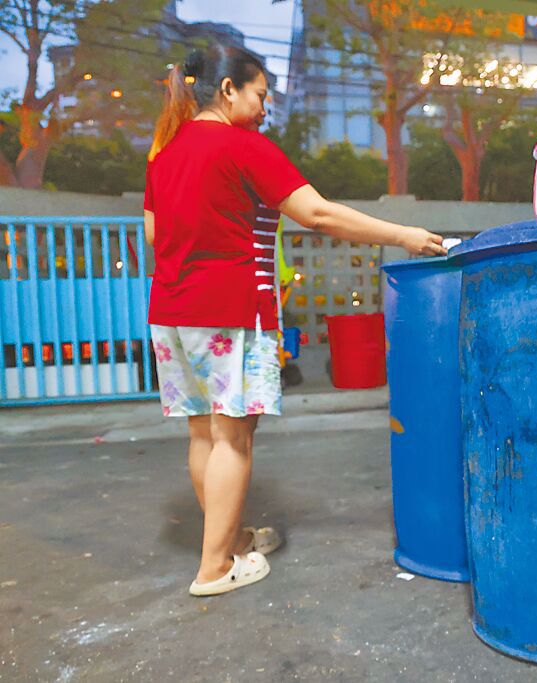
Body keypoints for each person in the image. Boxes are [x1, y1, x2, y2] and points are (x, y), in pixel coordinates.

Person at [144, 44, 446, 596]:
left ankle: (230, 543)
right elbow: (319, 214)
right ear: (229, 89)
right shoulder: (243, 146)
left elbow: (153, 235)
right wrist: (404, 235)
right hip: (230, 309)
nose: (265, 109)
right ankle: (214, 568)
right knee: (234, 437)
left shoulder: (165, 152)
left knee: (203, 432)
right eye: (260, 95)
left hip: (172, 313)